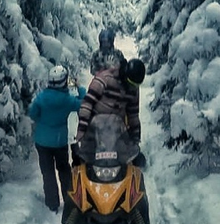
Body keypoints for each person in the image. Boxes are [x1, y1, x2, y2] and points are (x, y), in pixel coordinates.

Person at [29, 65, 86, 212]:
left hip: (42, 142)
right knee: (64, 170)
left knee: (47, 173)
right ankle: (69, 203)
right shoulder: (67, 100)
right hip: (60, 142)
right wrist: (80, 88)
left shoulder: (41, 98)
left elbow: (32, 114)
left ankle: (52, 204)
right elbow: (83, 103)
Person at [76, 57, 146, 147]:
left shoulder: (133, 89)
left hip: (117, 132)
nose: (132, 87)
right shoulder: (104, 79)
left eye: (135, 85)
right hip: (94, 129)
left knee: (130, 158)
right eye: (130, 83)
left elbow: (133, 114)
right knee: (82, 157)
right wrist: (82, 130)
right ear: (125, 74)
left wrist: (135, 138)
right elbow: (87, 104)